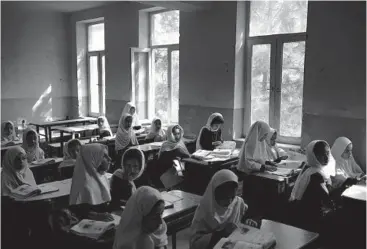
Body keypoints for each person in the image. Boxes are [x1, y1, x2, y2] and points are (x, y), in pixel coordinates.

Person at [190, 169, 259, 249]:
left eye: (232, 197)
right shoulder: (204, 210)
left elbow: (243, 221)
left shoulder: (238, 203)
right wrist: (220, 234)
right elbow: (194, 244)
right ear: (215, 193)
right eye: (225, 198)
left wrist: (248, 222)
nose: (229, 201)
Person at [289, 140, 337, 231]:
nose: (326, 157)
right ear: (314, 156)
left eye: (327, 153)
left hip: (306, 210)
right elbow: (327, 197)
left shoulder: (311, 167)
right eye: (321, 155)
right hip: (308, 216)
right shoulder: (315, 174)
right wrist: (344, 186)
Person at [69, 144, 114, 221]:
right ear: (92, 159)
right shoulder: (84, 184)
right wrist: (97, 215)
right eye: (104, 156)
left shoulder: (102, 177)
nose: (109, 159)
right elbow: (79, 212)